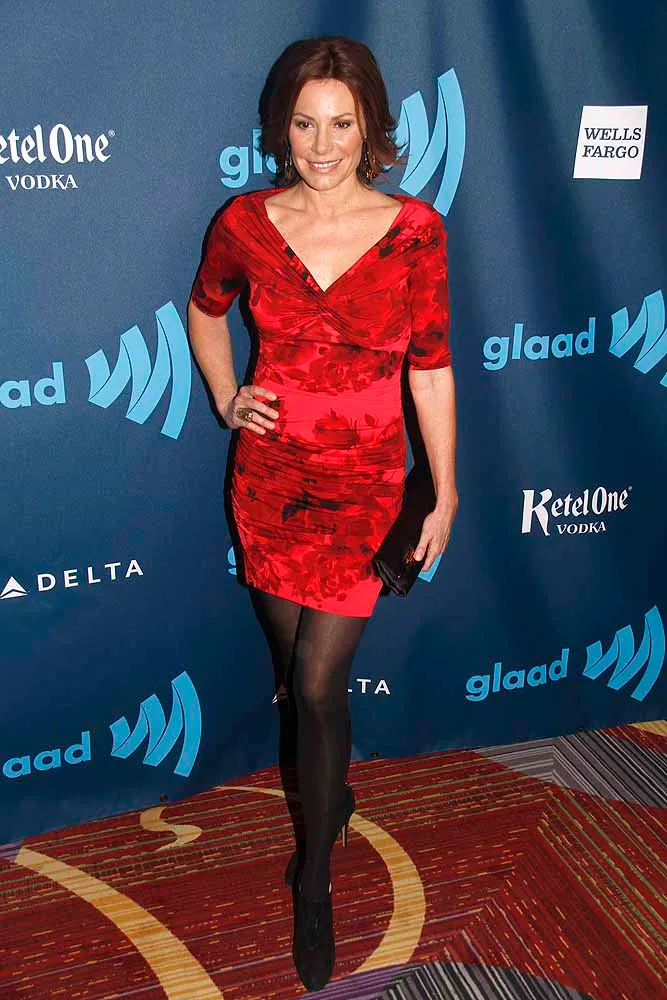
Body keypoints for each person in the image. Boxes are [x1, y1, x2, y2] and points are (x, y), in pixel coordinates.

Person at [187, 35, 458, 993]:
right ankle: (329, 799)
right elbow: (204, 308)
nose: (323, 144)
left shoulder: (414, 230)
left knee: (314, 684)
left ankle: (314, 880)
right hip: (271, 484)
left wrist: (444, 487)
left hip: (365, 487)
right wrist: (227, 396)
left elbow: (431, 366)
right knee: (289, 662)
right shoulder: (245, 222)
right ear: (281, 128)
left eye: (342, 124)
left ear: (371, 127)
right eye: (304, 124)